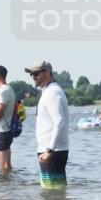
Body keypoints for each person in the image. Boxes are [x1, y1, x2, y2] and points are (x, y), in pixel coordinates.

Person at [25, 60, 69, 188]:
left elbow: (60, 122)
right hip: (50, 150)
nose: (33, 76)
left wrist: (49, 150)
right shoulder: (49, 90)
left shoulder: (52, 92)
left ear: (47, 72)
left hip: (52, 151)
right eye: (31, 74)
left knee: (53, 193)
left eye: (36, 73)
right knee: (50, 193)